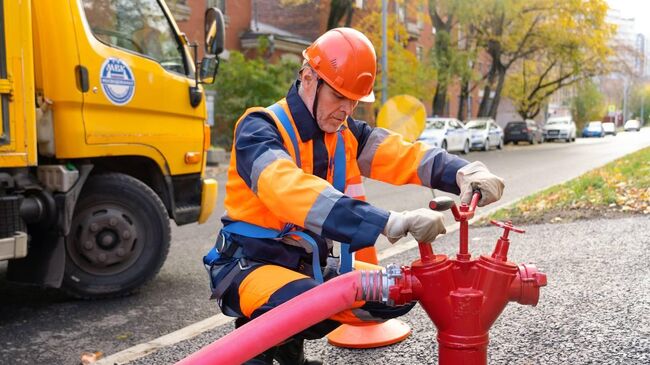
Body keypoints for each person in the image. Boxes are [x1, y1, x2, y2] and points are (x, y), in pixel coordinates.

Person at [204, 27, 504, 365]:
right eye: (338, 96)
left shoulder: (344, 134)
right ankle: (253, 352)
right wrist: (389, 221)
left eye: (354, 101)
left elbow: (402, 154)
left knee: (396, 295)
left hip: (308, 266)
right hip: (251, 265)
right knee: (310, 303)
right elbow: (286, 189)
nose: (346, 109)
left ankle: (289, 349)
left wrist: (463, 172)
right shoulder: (259, 129)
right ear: (307, 78)